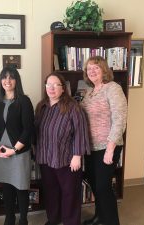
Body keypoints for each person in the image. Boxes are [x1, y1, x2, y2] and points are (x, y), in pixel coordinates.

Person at [34, 72, 90, 225]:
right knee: (51, 192)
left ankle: (70, 221)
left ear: (63, 88)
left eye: (56, 85)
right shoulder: (41, 106)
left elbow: (80, 131)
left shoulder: (73, 107)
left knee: (69, 194)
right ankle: (53, 219)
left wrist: (77, 155)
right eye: (48, 85)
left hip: (67, 159)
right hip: (45, 157)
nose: (51, 88)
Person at [81, 56, 127, 225]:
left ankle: (111, 222)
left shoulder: (112, 88)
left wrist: (110, 148)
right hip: (91, 148)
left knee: (103, 187)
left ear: (104, 70)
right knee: (94, 184)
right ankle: (100, 217)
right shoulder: (90, 92)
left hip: (108, 146)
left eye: (96, 68)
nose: (92, 71)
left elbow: (120, 119)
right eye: (89, 68)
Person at [0, 67, 34, 225]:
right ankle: (9, 218)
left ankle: (23, 220)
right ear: (0, 80)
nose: (7, 81)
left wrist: (14, 150)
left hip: (19, 153)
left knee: (21, 188)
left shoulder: (24, 101)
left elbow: (28, 129)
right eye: (4, 77)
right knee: (6, 187)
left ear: (16, 81)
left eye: (11, 77)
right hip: (1, 152)